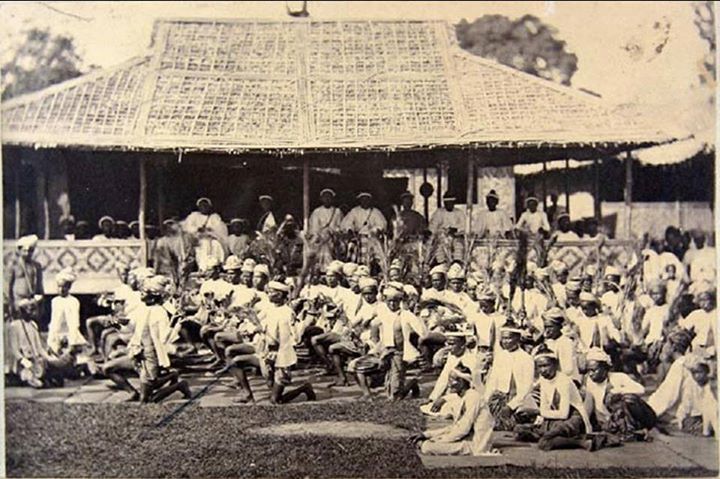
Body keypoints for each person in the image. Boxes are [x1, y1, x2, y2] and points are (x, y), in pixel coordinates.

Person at [226, 281, 316, 404]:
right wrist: (250, 326)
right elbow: (259, 326)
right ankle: (247, 394)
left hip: (281, 357)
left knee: (275, 400)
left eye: (272, 292)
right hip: (266, 353)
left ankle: (304, 388)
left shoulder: (287, 312)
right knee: (236, 362)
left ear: (279, 295)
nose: (268, 294)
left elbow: (294, 336)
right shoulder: (268, 309)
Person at [515, 346, 593, 451]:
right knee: (519, 430)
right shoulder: (543, 380)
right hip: (554, 418)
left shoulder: (564, 381)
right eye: (539, 367)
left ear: (556, 364)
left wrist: (536, 412)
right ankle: (554, 438)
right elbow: (545, 407)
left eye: (546, 365)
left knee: (544, 442)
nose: (542, 370)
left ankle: (580, 442)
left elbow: (563, 414)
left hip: (572, 417)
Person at [128, 275, 191, 403]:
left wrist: (174, 324)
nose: (141, 294)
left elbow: (165, 337)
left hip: (152, 353)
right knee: (148, 389)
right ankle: (173, 377)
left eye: (144, 292)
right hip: (140, 351)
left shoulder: (159, 312)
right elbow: (135, 329)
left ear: (154, 295)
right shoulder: (144, 309)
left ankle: (180, 385)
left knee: (147, 399)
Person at [412, 365, 498, 456]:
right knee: (428, 444)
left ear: (461, 382)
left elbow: (463, 429)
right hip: (467, 439)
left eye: (452, 379)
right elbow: (455, 427)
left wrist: (439, 440)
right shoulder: (464, 398)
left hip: (476, 445)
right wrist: (427, 434)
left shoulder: (473, 397)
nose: (449, 384)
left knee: (427, 447)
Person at [582, 348, 656, 443]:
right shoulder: (589, 382)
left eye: (594, 370)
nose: (590, 374)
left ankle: (638, 428)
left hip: (639, 417)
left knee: (627, 398)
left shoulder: (618, 377)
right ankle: (634, 433)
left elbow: (641, 389)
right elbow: (588, 406)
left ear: (605, 368)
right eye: (588, 371)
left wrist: (619, 391)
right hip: (613, 420)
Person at [649, 353, 717, 436]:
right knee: (689, 423)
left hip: (706, 416)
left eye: (700, 373)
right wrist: (681, 418)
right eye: (694, 373)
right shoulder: (690, 386)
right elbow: (685, 405)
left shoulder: (709, 387)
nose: (697, 376)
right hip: (694, 417)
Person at [485, 320, 535, 431]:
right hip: (499, 398)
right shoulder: (500, 356)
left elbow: (527, 387)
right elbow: (492, 381)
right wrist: (486, 399)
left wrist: (511, 405)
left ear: (517, 339)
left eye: (509, 338)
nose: (505, 342)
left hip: (518, 399)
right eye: (503, 338)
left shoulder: (526, 358)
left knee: (511, 424)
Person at [422, 332, 479, 416]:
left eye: (452, 344)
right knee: (430, 407)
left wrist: (445, 398)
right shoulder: (452, 356)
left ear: (463, 345)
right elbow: (443, 378)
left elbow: (471, 387)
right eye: (448, 344)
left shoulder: (470, 359)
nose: (449, 347)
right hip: (453, 394)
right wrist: (433, 398)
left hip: (467, 397)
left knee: (448, 410)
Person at [47, 268, 87, 355]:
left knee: (72, 355)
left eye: (64, 286)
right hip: (57, 334)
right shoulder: (55, 301)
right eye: (59, 286)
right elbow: (54, 322)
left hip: (71, 334)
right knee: (55, 353)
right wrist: (50, 341)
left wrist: (71, 342)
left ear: (69, 287)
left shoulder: (73, 301)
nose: (61, 289)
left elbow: (74, 324)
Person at [341, 192, 387, 263]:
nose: (365, 201)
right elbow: (347, 222)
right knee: (352, 245)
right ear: (360, 200)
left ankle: (373, 265)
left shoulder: (375, 212)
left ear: (370, 201)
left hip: (371, 237)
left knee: (375, 247)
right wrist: (350, 229)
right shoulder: (355, 211)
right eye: (363, 199)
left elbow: (382, 224)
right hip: (357, 236)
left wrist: (375, 230)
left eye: (367, 199)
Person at [6, 235, 44, 316]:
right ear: (19, 251)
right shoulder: (13, 265)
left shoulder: (37, 266)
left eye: (30, 251)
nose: (27, 253)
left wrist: (39, 301)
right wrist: (11, 305)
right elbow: (8, 287)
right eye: (24, 251)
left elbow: (40, 286)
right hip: (18, 302)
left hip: (32, 302)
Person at [307, 188, 343, 268]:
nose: (327, 199)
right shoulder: (317, 212)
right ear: (321, 199)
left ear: (332, 199)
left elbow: (340, 226)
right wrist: (320, 235)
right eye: (325, 197)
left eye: (329, 197)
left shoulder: (337, 212)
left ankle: (330, 266)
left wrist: (332, 232)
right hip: (320, 238)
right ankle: (320, 267)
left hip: (333, 237)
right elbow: (314, 227)